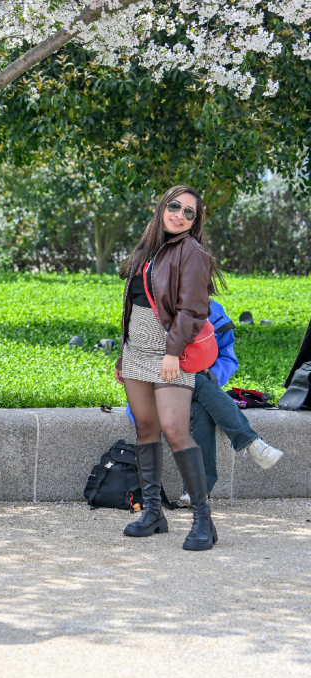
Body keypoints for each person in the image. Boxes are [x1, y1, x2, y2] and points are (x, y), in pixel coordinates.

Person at [114, 185, 221, 551]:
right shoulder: (146, 250)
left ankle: (204, 520)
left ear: (195, 221)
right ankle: (153, 513)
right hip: (136, 352)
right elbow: (134, 306)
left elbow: (193, 310)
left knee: (175, 430)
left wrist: (173, 352)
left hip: (170, 354)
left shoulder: (192, 253)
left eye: (189, 212)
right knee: (146, 428)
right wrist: (123, 356)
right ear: (162, 207)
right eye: (175, 206)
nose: (179, 215)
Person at [126, 299, 285, 505]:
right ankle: (251, 442)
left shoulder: (214, 311)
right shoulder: (152, 307)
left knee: (201, 409)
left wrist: (210, 373)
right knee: (196, 381)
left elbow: (227, 359)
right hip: (153, 389)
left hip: (194, 392)